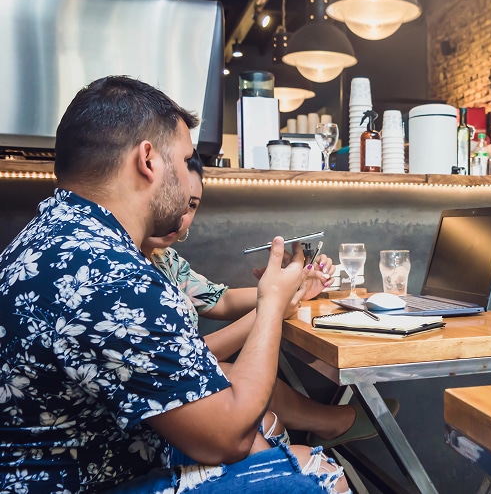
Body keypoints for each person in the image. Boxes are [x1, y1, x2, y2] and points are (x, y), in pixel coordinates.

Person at [0, 76, 349, 493]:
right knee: (317, 472)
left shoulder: (57, 234)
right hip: (77, 481)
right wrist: (271, 304)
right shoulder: (111, 275)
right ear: (149, 160)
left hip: (79, 458)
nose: (189, 188)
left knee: (269, 441)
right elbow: (228, 436)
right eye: (185, 162)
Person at [142, 153, 399, 450]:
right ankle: (328, 425)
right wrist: (272, 305)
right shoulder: (125, 272)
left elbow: (220, 299)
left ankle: (328, 422)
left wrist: (295, 287)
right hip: (165, 419)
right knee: (234, 376)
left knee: (235, 375)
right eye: (176, 198)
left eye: (192, 204)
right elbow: (185, 359)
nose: (180, 215)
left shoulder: (164, 259)